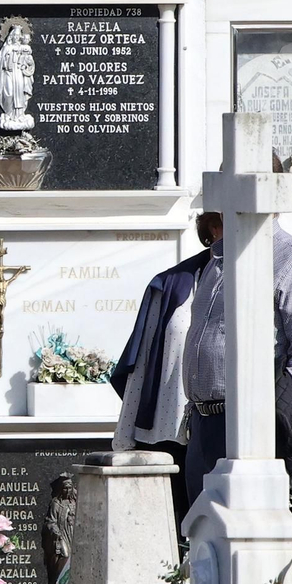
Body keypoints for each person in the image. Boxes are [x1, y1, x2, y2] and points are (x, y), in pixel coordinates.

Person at [180, 207, 292, 516]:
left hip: (254, 425)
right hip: (203, 423)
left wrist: (279, 418)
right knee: (199, 534)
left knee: (247, 532)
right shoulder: (218, 258)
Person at [109, 213, 220, 522]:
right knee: (180, 518)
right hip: (173, 425)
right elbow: (145, 358)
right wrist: (128, 428)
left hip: (236, 425)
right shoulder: (175, 283)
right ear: (214, 229)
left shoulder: (265, 276)